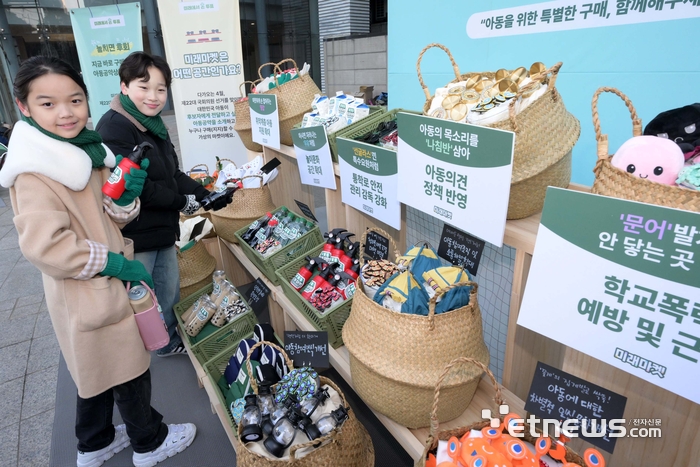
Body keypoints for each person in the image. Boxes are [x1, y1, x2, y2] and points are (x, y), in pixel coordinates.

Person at [0, 56, 196, 467]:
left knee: (95, 370)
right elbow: (45, 246)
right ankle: (149, 442)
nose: (66, 112)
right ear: (23, 106)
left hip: (93, 286)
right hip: (88, 283)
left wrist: (124, 201)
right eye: (47, 103)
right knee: (128, 365)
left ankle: (94, 442)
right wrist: (113, 263)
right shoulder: (34, 170)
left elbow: (103, 213)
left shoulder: (82, 148)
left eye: (74, 99)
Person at [96, 52, 210, 357]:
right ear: (124, 86)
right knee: (140, 297)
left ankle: (167, 341)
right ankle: (135, 354)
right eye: (143, 87)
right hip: (136, 233)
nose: (153, 96)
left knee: (167, 289)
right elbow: (139, 187)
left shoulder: (154, 126)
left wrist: (202, 194)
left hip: (160, 229)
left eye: (160, 89)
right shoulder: (115, 127)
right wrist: (181, 202)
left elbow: (171, 173)